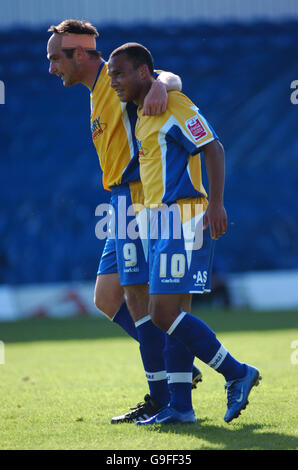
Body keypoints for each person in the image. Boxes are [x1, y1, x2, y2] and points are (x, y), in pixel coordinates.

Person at [47, 19, 202, 424]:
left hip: (136, 196)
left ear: (79, 54)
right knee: (106, 298)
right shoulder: (95, 92)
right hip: (118, 199)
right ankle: (174, 369)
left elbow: (169, 75)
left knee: (138, 299)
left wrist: (159, 85)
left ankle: (166, 390)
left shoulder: (114, 78)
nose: (51, 68)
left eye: (54, 58)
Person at [108, 42, 262, 424]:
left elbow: (213, 147)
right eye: (110, 75)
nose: (113, 82)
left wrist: (216, 204)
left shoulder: (173, 104)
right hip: (157, 222)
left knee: (163, 313)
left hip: (183, 217)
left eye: (120, 73)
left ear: (145, 72)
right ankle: (181, 407)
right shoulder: (143, 111)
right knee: (172, 314)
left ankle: (237, 372)